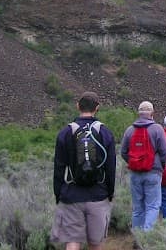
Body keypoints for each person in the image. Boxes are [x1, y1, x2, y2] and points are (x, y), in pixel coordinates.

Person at [50, 91, 116, 250]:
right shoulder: (105, 132)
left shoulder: (65, 133)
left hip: (71, 195)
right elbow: (111, 167)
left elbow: (59, 168)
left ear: (78, 106)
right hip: (98, 196)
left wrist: (59, 194)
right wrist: (109, 192)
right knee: (96, 243)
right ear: (97, 108)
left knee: (72, 241)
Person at [120, 101, 166, 231]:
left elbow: (123, 152)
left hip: (135, 174)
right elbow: (164, 152)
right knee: (152, 207)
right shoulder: (157, 129)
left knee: (138, 208)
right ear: (152, 113)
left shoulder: (130, 130)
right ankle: (146, 239)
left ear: (139, 113)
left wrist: (132, 163)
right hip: (153, 173)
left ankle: (137, 237)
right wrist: (161, 167)